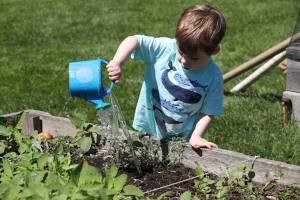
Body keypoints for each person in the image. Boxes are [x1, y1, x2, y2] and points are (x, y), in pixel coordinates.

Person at [106, 4, 226, 150]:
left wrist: (197, 136)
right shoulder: (164, 50)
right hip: (150, 128)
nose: (184, 61)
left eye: (194, 58)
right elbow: (134, 40)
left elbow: (209, 111)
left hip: (183, 138)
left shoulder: (213, 76)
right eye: (181, 52)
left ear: (214, 51)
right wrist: (118, 62)